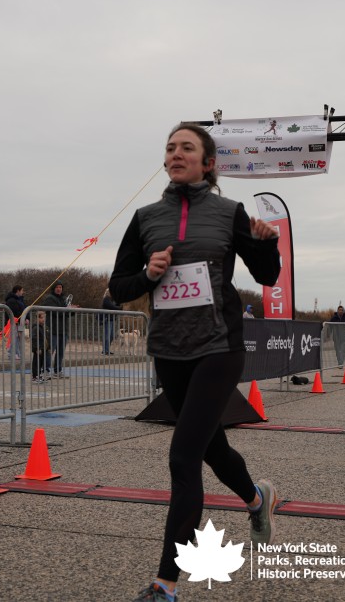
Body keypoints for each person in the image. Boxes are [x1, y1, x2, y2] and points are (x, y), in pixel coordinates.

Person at [109, 122, 282, 602]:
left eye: (187, 147)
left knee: (183, 456)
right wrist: (148, 274)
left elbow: (267, 275)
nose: (176, 153)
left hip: (219, 347)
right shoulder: (146, 218)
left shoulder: (229, 212)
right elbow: (119, 286)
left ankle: (165, 584)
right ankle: (257, 499)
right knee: (212, 447)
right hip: (169, 349)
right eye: (170, 148)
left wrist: (265, 242)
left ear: (208, 163)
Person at [41, 281, 78, 378]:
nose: (59, 289)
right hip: (52, 329)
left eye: (60, 287)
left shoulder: (64, 299)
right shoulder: (49, 298)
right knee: (50, 351)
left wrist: (72, 310)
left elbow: (67, 313)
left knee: (60, 352)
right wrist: (67, 309)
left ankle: (57, 371)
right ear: (53, 288)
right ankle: (45, 371)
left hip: (63, 330)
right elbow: (55, 311)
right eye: (57, 287)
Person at [4, 285, 26, 362]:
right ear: (18, 291)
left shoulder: (21, 300)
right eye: (22, 290)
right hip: (13, 323)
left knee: (19, 338)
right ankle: (11, 353)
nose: (23, 292)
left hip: (20, 323)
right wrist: (20, 319)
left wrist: (26, 318)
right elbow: (15, 312)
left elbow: (24, 309)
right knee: (14, 338)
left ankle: (17, 353)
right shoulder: (11, 300)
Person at [30, 311, 51, 384]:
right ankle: (35, 377)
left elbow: (47, 338)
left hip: (44, 348)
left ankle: (38, 375)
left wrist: (49, 347)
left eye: (44, 317)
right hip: (38, 349)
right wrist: (37, 348)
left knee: (41, 362)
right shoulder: (36, 328)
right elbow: (34, 339)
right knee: (36, 363)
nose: (43, 319)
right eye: (41, 318)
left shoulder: (45, 327)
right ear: (37, 318)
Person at [101, 288, 120, 355]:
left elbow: (117, 305)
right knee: (107, 336)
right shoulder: (106, 299)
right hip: (107, 319)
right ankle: (105, 350)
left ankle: (107, 349)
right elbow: (112, 307)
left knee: (111, 336)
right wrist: (119, 308)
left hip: (112, 319)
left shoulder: (112, 300)